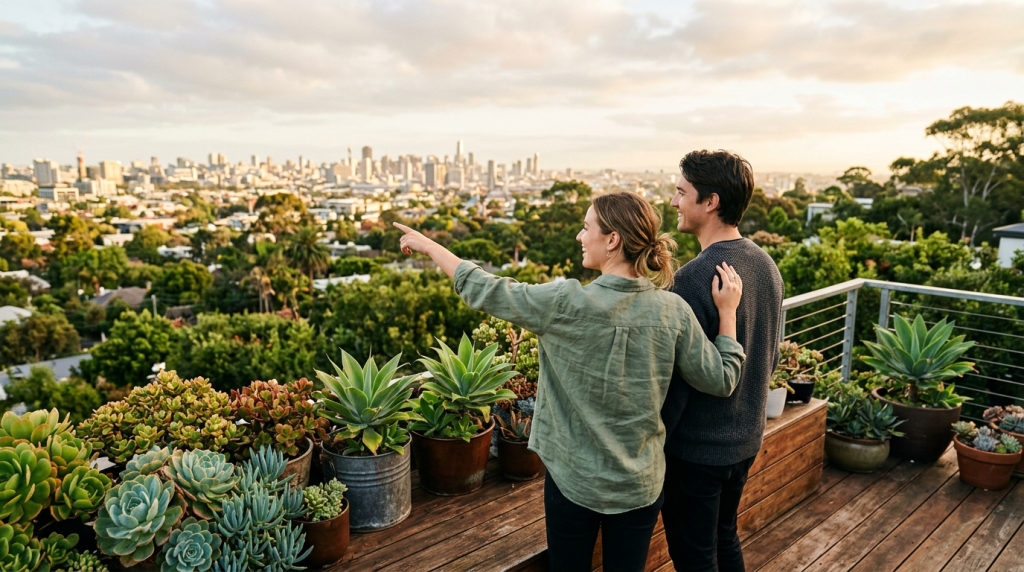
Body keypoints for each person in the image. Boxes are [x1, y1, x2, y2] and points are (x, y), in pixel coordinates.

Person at [394, 191, 746, 572]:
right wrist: (728, 313)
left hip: (572, 482)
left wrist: (431, 247)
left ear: (612, 241)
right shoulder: (673, 311)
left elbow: (485, 288)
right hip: (639, 486)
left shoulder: (564, 303)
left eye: (585, 227)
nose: (580, 236)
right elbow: (722, 379)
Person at [660, 150, 785, 572]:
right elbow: (771, 351)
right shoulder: (765, 264)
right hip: (745, 437)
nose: (674, 202)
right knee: (724, 536)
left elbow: (674, 383)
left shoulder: (693, 279)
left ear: (709, 202)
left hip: (697, 449)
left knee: (694, 556)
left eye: (681, 192)